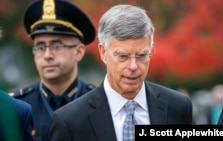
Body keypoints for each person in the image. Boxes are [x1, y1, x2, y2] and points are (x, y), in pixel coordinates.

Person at [49, 4, 193, 141]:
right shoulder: (70, 121)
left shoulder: (178, 107)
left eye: (142, 55)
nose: (133, 66)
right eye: (123, 56)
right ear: (103, 53)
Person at [9, 0, 96, 141]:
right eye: (40, 47)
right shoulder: (16, 108)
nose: (47, 55)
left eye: (57, 46)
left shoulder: (99, 104)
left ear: (79, 52)